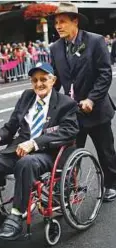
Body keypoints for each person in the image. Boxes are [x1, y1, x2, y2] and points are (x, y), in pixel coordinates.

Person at [0, 62, 79, 240]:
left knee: (26, 163)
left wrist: (34, 143)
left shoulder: (66, 103)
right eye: (35, 80)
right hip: (17, 150)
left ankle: (16, 215)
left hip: (46, 154)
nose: (39, 84)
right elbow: (11, 127)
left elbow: (68, 131)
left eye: (43, 79)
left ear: (53, 80)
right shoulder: (27, 96)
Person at [50, 2, 116, 202]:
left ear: (75, 21)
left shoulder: (95, 41)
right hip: (72, 112)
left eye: (62, 22)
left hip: (95, 108)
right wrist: (47, 102)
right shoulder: (55, 48)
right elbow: (57, 79)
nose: (58, 26)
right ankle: (69, 188)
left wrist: (92, 99)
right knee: (68, 153)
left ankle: (111, 184)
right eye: (56, 23)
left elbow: (105, 74)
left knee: (105, 152)